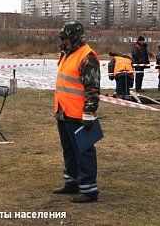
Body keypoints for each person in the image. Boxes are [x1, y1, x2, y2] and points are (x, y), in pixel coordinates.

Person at [52, 21, 101, 203]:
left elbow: (92, 89)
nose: (62, 41)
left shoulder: (87, 57)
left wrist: (89, 113)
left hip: (79, 114)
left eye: (64, 38)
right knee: (69, 151)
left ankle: (89, 190)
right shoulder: (67, 55)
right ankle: (72, 182)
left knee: (84, 151)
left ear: (74, 38)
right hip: (63, 112)